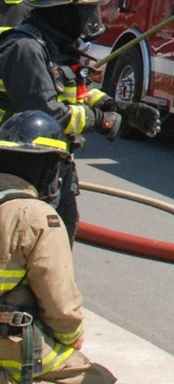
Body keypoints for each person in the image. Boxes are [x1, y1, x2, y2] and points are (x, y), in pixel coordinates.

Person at [0, 0, 160, 239]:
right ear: (66, 10)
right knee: (26, 244)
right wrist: (102, 121)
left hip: (50, 165)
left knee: (60, 235)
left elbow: (79, 92)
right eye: (90, 8)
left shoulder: (57, 45)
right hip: (17, 166)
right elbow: (46, 112)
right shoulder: (25, 48)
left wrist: (118, 107)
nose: (95, 16)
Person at [0, 110, 115, 383]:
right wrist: (72, 336)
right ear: (47, 168)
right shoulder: (36, 216)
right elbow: (60, 304)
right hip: (9, 345)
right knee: (96, 378)